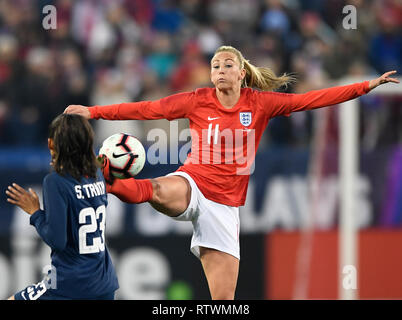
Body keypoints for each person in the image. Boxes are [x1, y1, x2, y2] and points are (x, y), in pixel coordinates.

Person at [65, 45, 399, 300]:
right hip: (193, 181)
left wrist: (364, 86)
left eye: (228, 64)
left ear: (241, 73)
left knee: (224, 301)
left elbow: (311, 99)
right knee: (158, 189)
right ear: (211, 75)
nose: (221, 69)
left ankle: (112, 183)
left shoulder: (261, 103)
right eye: (215, 65)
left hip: (224, 207)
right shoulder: (197, 100)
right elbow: (145, 109)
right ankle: (109, 184)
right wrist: (93, 111)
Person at [5, 114, 119, 300]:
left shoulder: (55, 181)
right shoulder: (97, 174)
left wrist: (35, 213)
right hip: (104, 282)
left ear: (51, 144)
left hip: (71, 285)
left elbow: (57, 239)